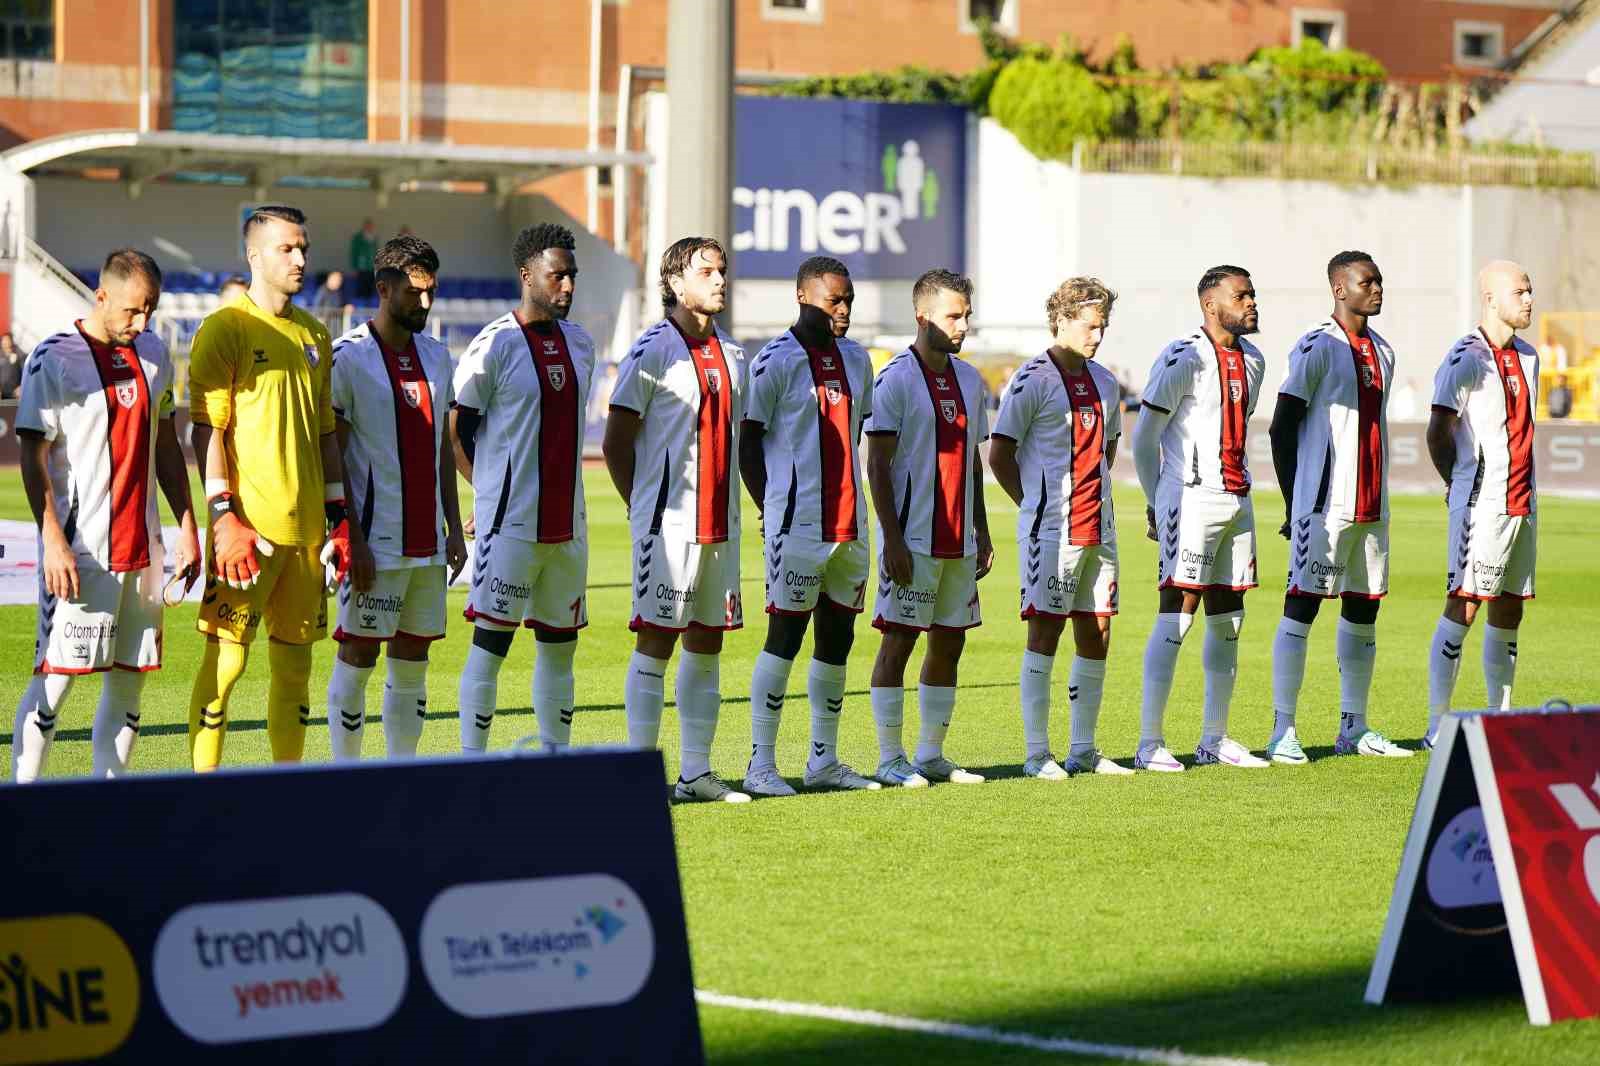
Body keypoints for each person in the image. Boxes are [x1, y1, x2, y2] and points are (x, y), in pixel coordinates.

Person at [11, 249, 200, 780]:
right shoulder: (54, 357)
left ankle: (109, 806)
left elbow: (166, 446)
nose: (141, 323)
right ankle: (21, 804)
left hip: (144, 553)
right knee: (55, 683)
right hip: (82, 552)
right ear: (101, 296)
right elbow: (33, 454)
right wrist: (52, 540)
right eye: (132, 311)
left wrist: (187, 526)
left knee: (129, 683)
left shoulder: (156, 353)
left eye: (151, 312)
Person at [186, 204, 354, 771]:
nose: (301, 259)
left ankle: (288, 796)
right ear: (254, 255)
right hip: (248, 537)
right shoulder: (225, 328)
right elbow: (207, 430)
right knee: (226, 667)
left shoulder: (315, 334)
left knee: (295, 674)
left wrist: (339, 516)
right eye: (287, 249)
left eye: (303, 247)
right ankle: (201, 793)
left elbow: (327, 433)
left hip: (308, 537)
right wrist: (223, 516)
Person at [605, 236, 749, 803]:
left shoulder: (734, 354)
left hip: (722, 526)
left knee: (707, 643)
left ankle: (696, 773)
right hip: (669, 526)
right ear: (674, 283)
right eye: (706, 271)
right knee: (657, 642)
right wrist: (644, 507)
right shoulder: (652, 351)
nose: (719, 280)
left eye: (722, 270)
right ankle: (642, 777)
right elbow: (618, 442)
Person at [738, 256, 880, 796]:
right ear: (802, 297)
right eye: (832, 301)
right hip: (796, 525)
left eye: (847, 300)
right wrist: (767, 508)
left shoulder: (858, 359)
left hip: (850, 524)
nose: (843, 311)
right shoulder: (774, 361)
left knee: (838, 637)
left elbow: (856, 436)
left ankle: (824, 761)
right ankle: (761, 765)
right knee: (784, 636)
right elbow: (748, 441)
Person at [451, 224, 595, 754]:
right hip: (509, 527)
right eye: (557, 275)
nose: (567, 286)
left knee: (561, 649)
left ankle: (555, 762)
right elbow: (456, 432)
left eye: (573, 276)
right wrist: (486, 491)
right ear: (527, 275)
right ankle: (473, 763)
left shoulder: (581, 344)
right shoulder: (495, 344)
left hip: (568, 528)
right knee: (490, 646)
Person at [1265, 251, 1412, 762]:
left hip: (1374, 506)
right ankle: (1283, 729)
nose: (1377, 289)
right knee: (1302, 606)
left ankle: (1355, 726)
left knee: (1363, 610)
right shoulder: (1317, 346)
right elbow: (1282, 426)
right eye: (1366, 281)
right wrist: (1294, 501)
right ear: (1338, 288)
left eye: (1379, 280)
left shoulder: (1385, 350)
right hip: (1324, 505)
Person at [325, 236, 467, 760]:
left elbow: (440, 451)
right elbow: (331, 456)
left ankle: (401, 775)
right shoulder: (349, 358)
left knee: (413, 661)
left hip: (427, 542)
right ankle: (347, 775)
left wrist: (451, 526)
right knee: (358, 654)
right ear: (383, 289)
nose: (424, 304)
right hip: (374, 543)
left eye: (431, 292)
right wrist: (349, 538)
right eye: (414, 293)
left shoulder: (437, 357)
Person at [988, 277, 1131, 779]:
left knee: (1098, 631)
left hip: (1100, 529)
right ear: (1064, 319)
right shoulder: (1031, 380)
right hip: (1050, 531)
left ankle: (1083, 749)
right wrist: (1035, 507)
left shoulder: (1108, 383)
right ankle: (1035, 752)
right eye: (1091, 326)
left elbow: (1108, 452)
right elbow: (999, 454)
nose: (1098, 336)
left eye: (1104, 327)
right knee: (1044, 633)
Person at [1131, 266, 1269, 772]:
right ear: (1211, 304)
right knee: (1178, 612)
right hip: (1190, 499)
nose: (1252, 302)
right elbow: (1145, 439)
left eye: (1253, 294)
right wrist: (1157, 500)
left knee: (1229, 617)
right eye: (1242, 295)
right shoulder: (1182, 356)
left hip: (1239, 498)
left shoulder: (1254, 360)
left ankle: (1215, 737)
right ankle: (1150, 742)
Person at [864, 269, 993, 788]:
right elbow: (877, 463)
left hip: (958, 538)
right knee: (898, 642)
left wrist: (982, 530)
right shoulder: (896, 378)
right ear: (923, 317)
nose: (963, 326)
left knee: (950, 643)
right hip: (912, 539)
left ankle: (931, 754)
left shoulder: (970, 380)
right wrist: (891, 539)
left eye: (966, 315)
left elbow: (974, 462)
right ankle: (890, 758)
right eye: (953, 315)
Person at [1423, 261, 1540, 746]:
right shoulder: (1466, 356)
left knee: (1510, 608)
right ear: (1490, 298)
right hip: (1482, 503)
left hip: (1524, 503)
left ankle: (1501, 716)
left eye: (1531, 291)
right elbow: (1438, 432)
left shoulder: (1529, 355)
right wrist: (1459, 482)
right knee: (1464, 605)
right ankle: (1437, 723)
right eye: (1520, 291)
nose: (1530, 299)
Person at [350, 218, 377, 302]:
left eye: (371, 226)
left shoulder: (374, 238)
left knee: (371, 290)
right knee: (361, 290)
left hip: (371, 269)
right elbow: (353, 253)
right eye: (368, 226)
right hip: (361, 269)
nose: (370, 228)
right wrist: (354, 267)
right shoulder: (358, 238)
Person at [0, 332, 22, 398]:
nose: (5, 342)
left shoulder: (18, 355)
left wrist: (21, 386)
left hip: (15, 392)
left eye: (7, 340)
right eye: (3, 340)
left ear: (11, 342)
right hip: (1, 392)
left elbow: (24, 371)